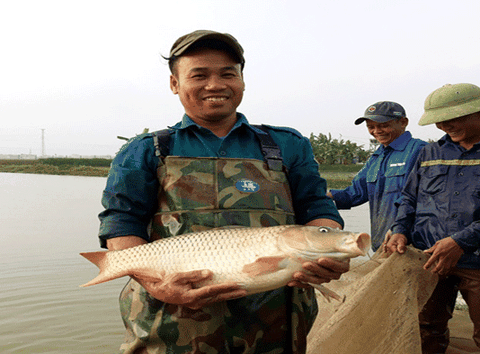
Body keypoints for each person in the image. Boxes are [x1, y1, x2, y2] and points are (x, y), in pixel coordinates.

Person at [98, 30, 349, 354]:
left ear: (242, 81)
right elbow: (121, 221)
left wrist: (328, 251)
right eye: (199, 75)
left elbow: (317, 207)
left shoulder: (287, 144)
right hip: (170, 326)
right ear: (174, 83)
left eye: (227, 74)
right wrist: (155, 282)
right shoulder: (147, 150)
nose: (215, 84)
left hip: (278, 324)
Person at [385, 83, 480, 353]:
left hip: (476, 262)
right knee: (426, 328)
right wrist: (400, 230)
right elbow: (409, 199)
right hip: (430, 258)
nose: (445, 126)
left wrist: (460, 241)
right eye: (440, 120)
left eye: (454, 117)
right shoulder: (429, 153)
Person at [327, 101, 426, 251]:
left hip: (411, 244)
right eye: (371, 127)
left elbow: (421, 198)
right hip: (383, 243)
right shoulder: (376, 157)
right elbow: (356, 193)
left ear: (403, 122)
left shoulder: (420, 150)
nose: (376, 131)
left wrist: (401, 230)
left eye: (383, 125)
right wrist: (325, 195)